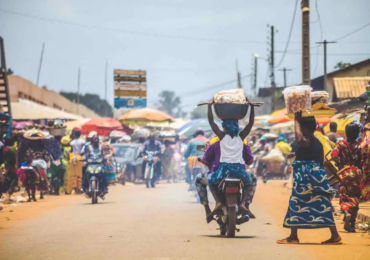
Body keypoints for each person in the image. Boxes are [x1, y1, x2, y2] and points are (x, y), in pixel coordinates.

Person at [277, 112, 341, 245]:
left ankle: (294, 237)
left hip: (306, 177)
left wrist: (296, 121)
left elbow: (300, 140)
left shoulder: (306, 140)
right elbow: (320, 161)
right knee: (322, 204)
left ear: (305, 128)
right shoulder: (317, 143)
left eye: (301, 127)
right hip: (316, 176)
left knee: (295, 202)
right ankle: (334, 235)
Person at [207, 99, 254, 215]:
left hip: (224, 170)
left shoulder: (222, 136)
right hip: (238, 170)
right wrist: (252, 107)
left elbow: (211, 122)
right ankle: (242, 203)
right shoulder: (241, 137)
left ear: (225, 127)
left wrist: (210, 106)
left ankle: (218, 202)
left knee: (210, 180)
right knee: (249, 183)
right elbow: (250, 123)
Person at [196, 134, 255, 222]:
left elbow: (205, 160)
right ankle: (245, 205)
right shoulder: (242, 141)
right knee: (253, 178)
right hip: (240, 174)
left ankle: (208, 210)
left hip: (218, 175)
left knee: (199, 179)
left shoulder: (214, 141)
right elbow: (250, 161)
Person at [330, 122, 362, 232]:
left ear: (346, 133)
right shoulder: (360, 145)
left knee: (344, 196)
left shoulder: (341, 144)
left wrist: (339, 163)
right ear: (357, 133)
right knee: (356, 197)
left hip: (344, 173)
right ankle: (352, 223)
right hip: (357, 173)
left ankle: (347, 212)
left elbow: (333, 156)